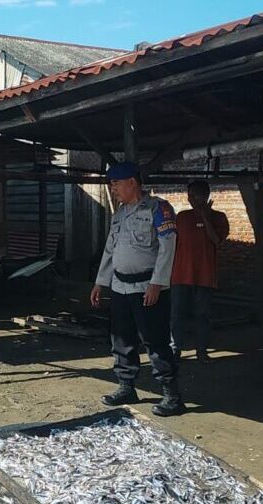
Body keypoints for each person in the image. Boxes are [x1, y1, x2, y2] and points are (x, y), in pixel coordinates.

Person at [90, 162, 185, 417]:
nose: (113, 189)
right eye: (111, 185)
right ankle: (126, 386)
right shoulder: (119, 214)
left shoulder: (159, 208)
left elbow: (168, 247)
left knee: (155, 341)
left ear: (132, 182)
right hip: (120, 287)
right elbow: (110, 249)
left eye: (116, 184)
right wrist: (101, 281)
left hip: (147, 288)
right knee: (121, 340)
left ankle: (171, 395)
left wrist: (157, 283)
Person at [170, 180, 229, 363]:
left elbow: (216, 240)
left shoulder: (219, 217)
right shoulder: (182, 217)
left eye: (195, 195)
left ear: (206, 196)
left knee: (202, 316)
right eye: (189, 195)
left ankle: (201, 352)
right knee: (177, 315)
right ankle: (175, 350)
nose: (191, 199)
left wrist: (205, 217)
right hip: (180, 275)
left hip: (205, 276)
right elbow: (171, 244)